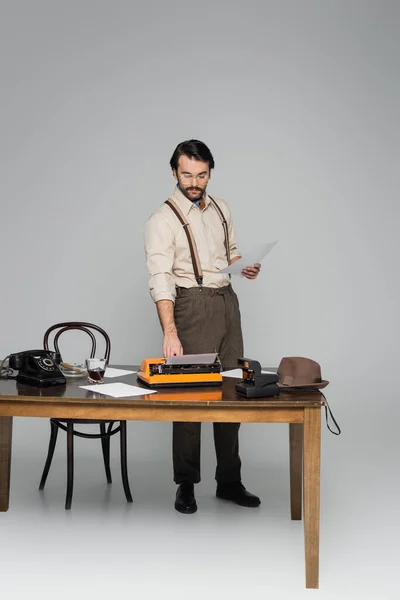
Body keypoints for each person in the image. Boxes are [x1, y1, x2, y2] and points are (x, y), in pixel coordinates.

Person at [144, 139, 262, 514]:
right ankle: (186, 484)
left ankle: (229, 480)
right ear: (174, 173)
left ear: (210, 171)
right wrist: (170, 331)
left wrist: (244, 264)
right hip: (191, 305)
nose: (194, 182)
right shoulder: (162, 220)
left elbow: (230, 253)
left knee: (232, 388)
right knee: (190, 396)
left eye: (202, 174)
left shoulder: (221, 208)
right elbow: (160, 278)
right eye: (187, 174)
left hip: (228, 302)